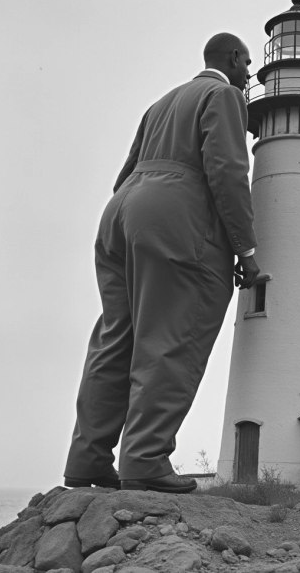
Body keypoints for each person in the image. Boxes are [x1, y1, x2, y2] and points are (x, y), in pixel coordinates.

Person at [63, 33, 260, 493]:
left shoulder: (160, 103)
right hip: (176, 213)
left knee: (116, 339)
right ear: (232, 59)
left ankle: (88, 459)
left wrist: (129, 222)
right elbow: (228, 171)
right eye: (248, 64)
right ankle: (146, 460)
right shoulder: (224, 95)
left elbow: (127, 170)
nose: (250, 75)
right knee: (172, 336)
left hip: (121, 212)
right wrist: (246, 252)